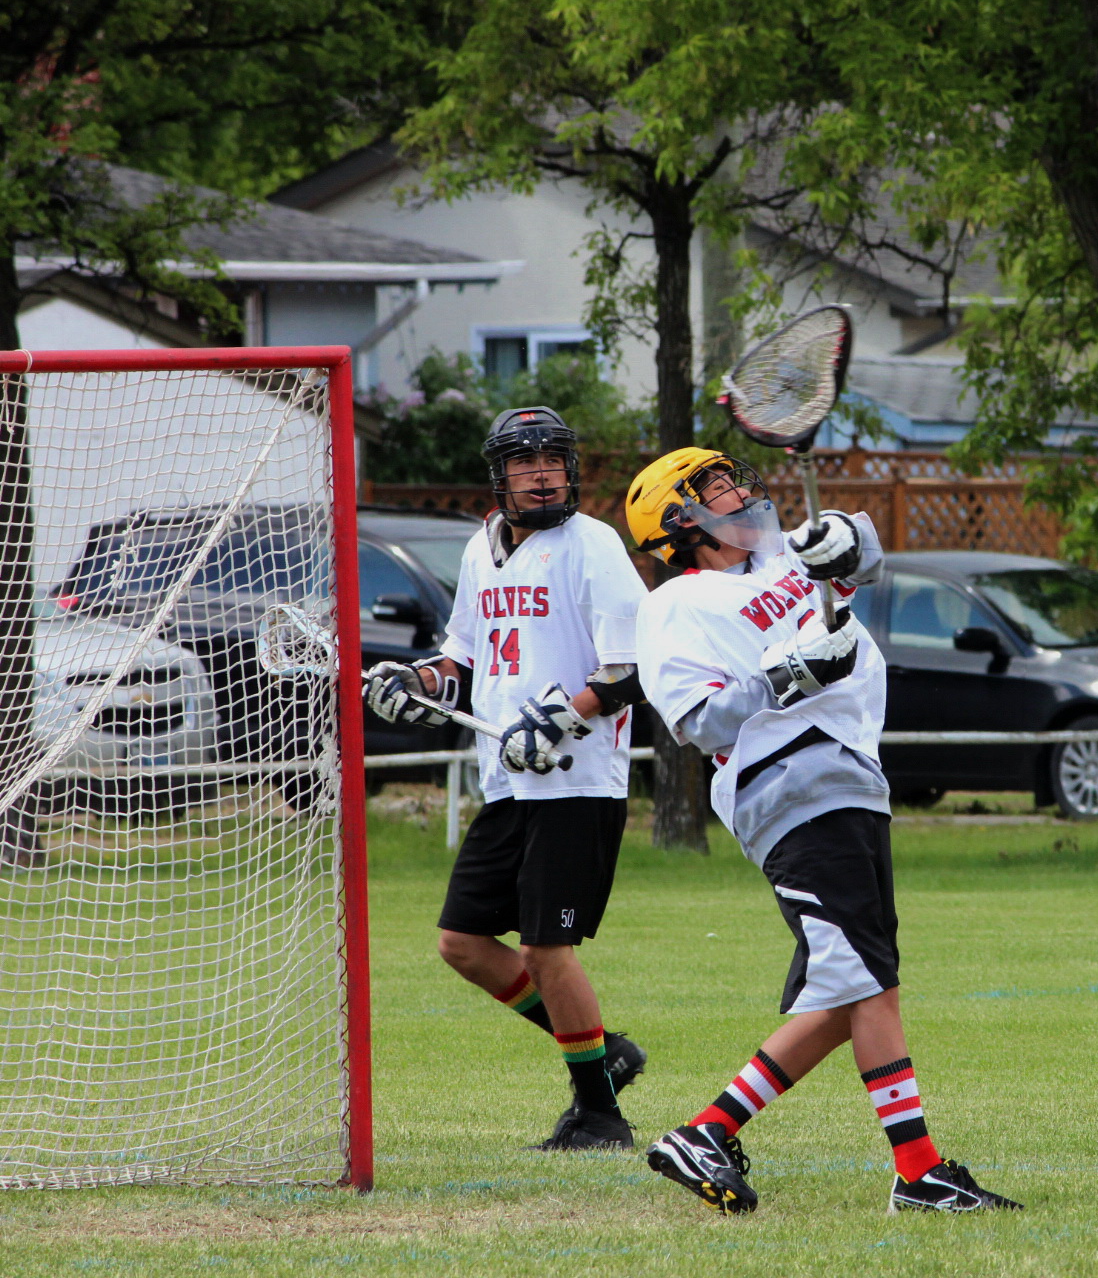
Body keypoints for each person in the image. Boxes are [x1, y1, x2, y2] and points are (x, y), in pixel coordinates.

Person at [624, 446, 1019, 1215]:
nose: (740, 491)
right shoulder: (673, 605)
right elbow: (696, 721)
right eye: (717, 487)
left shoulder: (776, 556)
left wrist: (845, 534)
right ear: (680, 518)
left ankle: (708, 1131)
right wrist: (795, 671)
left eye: (735, 478)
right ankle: (916, 1171)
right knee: (866, 982)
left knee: (857, 988)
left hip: (850, 776)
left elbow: (860, 556)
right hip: (790, 782)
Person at [364, 406, 648, 1151]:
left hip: (574, 780)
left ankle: (599, 1113)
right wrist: (417, 680)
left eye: (554, 457)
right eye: (525, 461)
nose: (542, 471)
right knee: (461, 941)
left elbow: (630, 669)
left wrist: (561, 718)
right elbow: (462, 652)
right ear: (500, 476)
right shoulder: (478, 549)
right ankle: (603, 1051)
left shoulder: (594, 545)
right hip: (508, 781)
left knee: (546, 950)